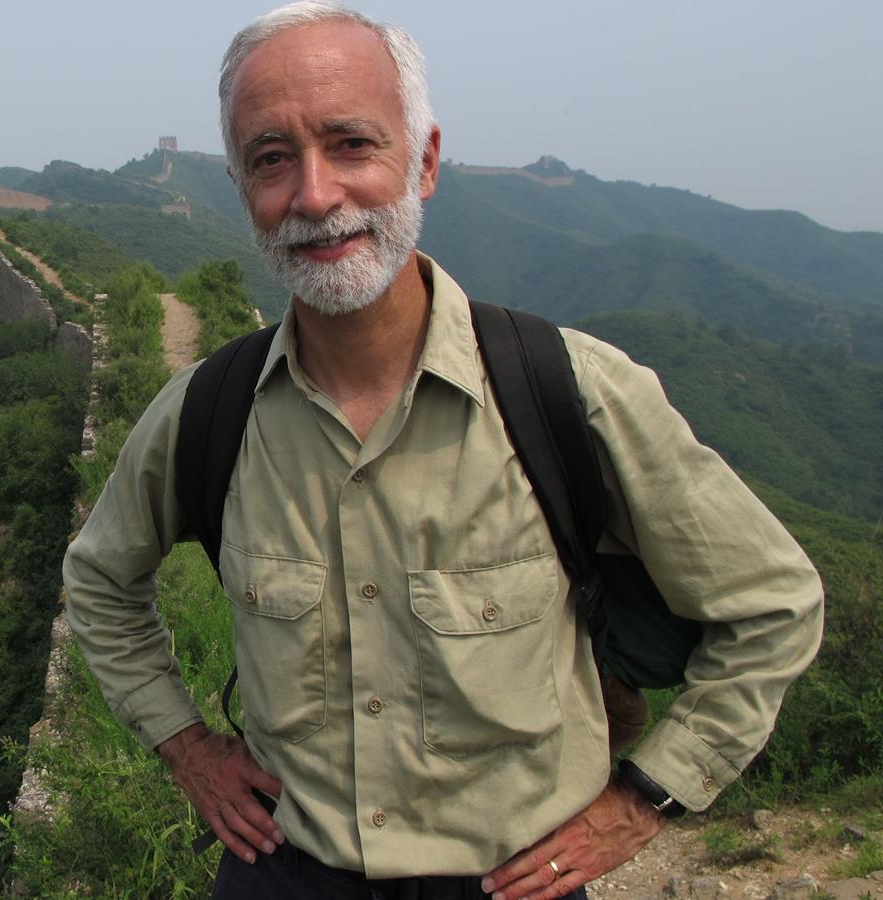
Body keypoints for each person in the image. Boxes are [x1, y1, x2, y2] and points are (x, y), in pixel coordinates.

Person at [60, 3, 825, 898]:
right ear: (244, 191)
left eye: (352, 144)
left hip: (508, 881)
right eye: (273, 158)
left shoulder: (568, 393)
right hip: (284, 872)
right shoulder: (208, 414)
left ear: (423, 161)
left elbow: (773, 605)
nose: (313, 194)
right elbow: (100, 581)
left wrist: (646, 798)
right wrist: (188, 750)